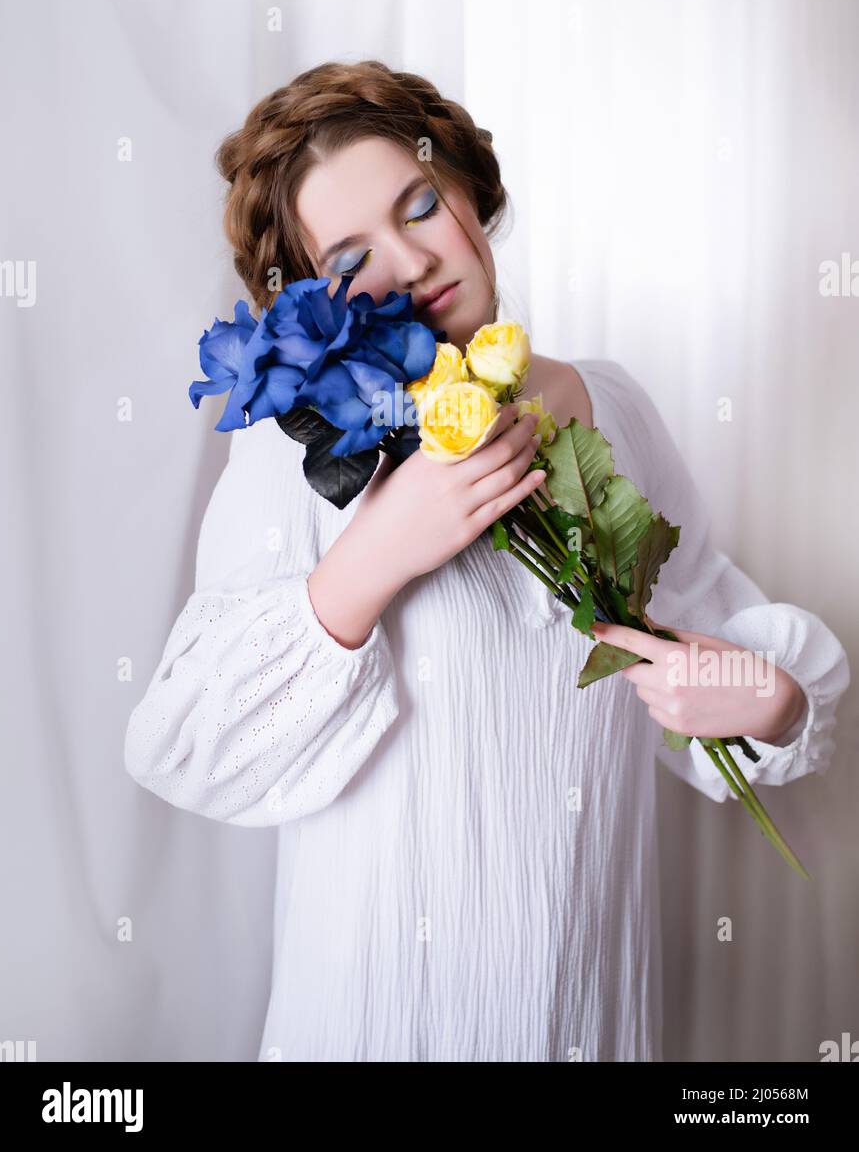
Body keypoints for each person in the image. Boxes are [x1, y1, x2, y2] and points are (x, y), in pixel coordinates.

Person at [124, 59, 850, 1062]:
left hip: (587, 1017)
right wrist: (372, 557)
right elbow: (182, 743)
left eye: (419, 203)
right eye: (349, 257)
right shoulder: (304, 454)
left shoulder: (614, 408)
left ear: (467, 186)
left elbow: (690, 639)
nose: (410, 262)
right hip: (385, 1020)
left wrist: (769, 701)